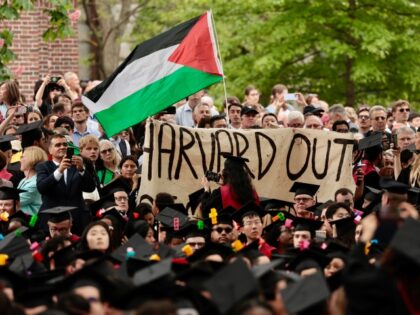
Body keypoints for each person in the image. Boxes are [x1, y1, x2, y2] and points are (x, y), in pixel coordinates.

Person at [36, 134, 96, 235]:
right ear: (50, 150)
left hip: (78, 220)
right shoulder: (43, 167)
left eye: (65, 144)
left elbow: (90, 188)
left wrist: (81, 169)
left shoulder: (77, 165)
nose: (62, 147)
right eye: (58, 145)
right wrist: (60, 170)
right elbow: (42, 188)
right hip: (53, 221)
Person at [17, 146, 48, 215]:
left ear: (32, 160)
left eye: (22, 157)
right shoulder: (24, 180)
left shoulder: (35, 184)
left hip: (30, 223)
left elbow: (14, 201)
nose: (20, 160)